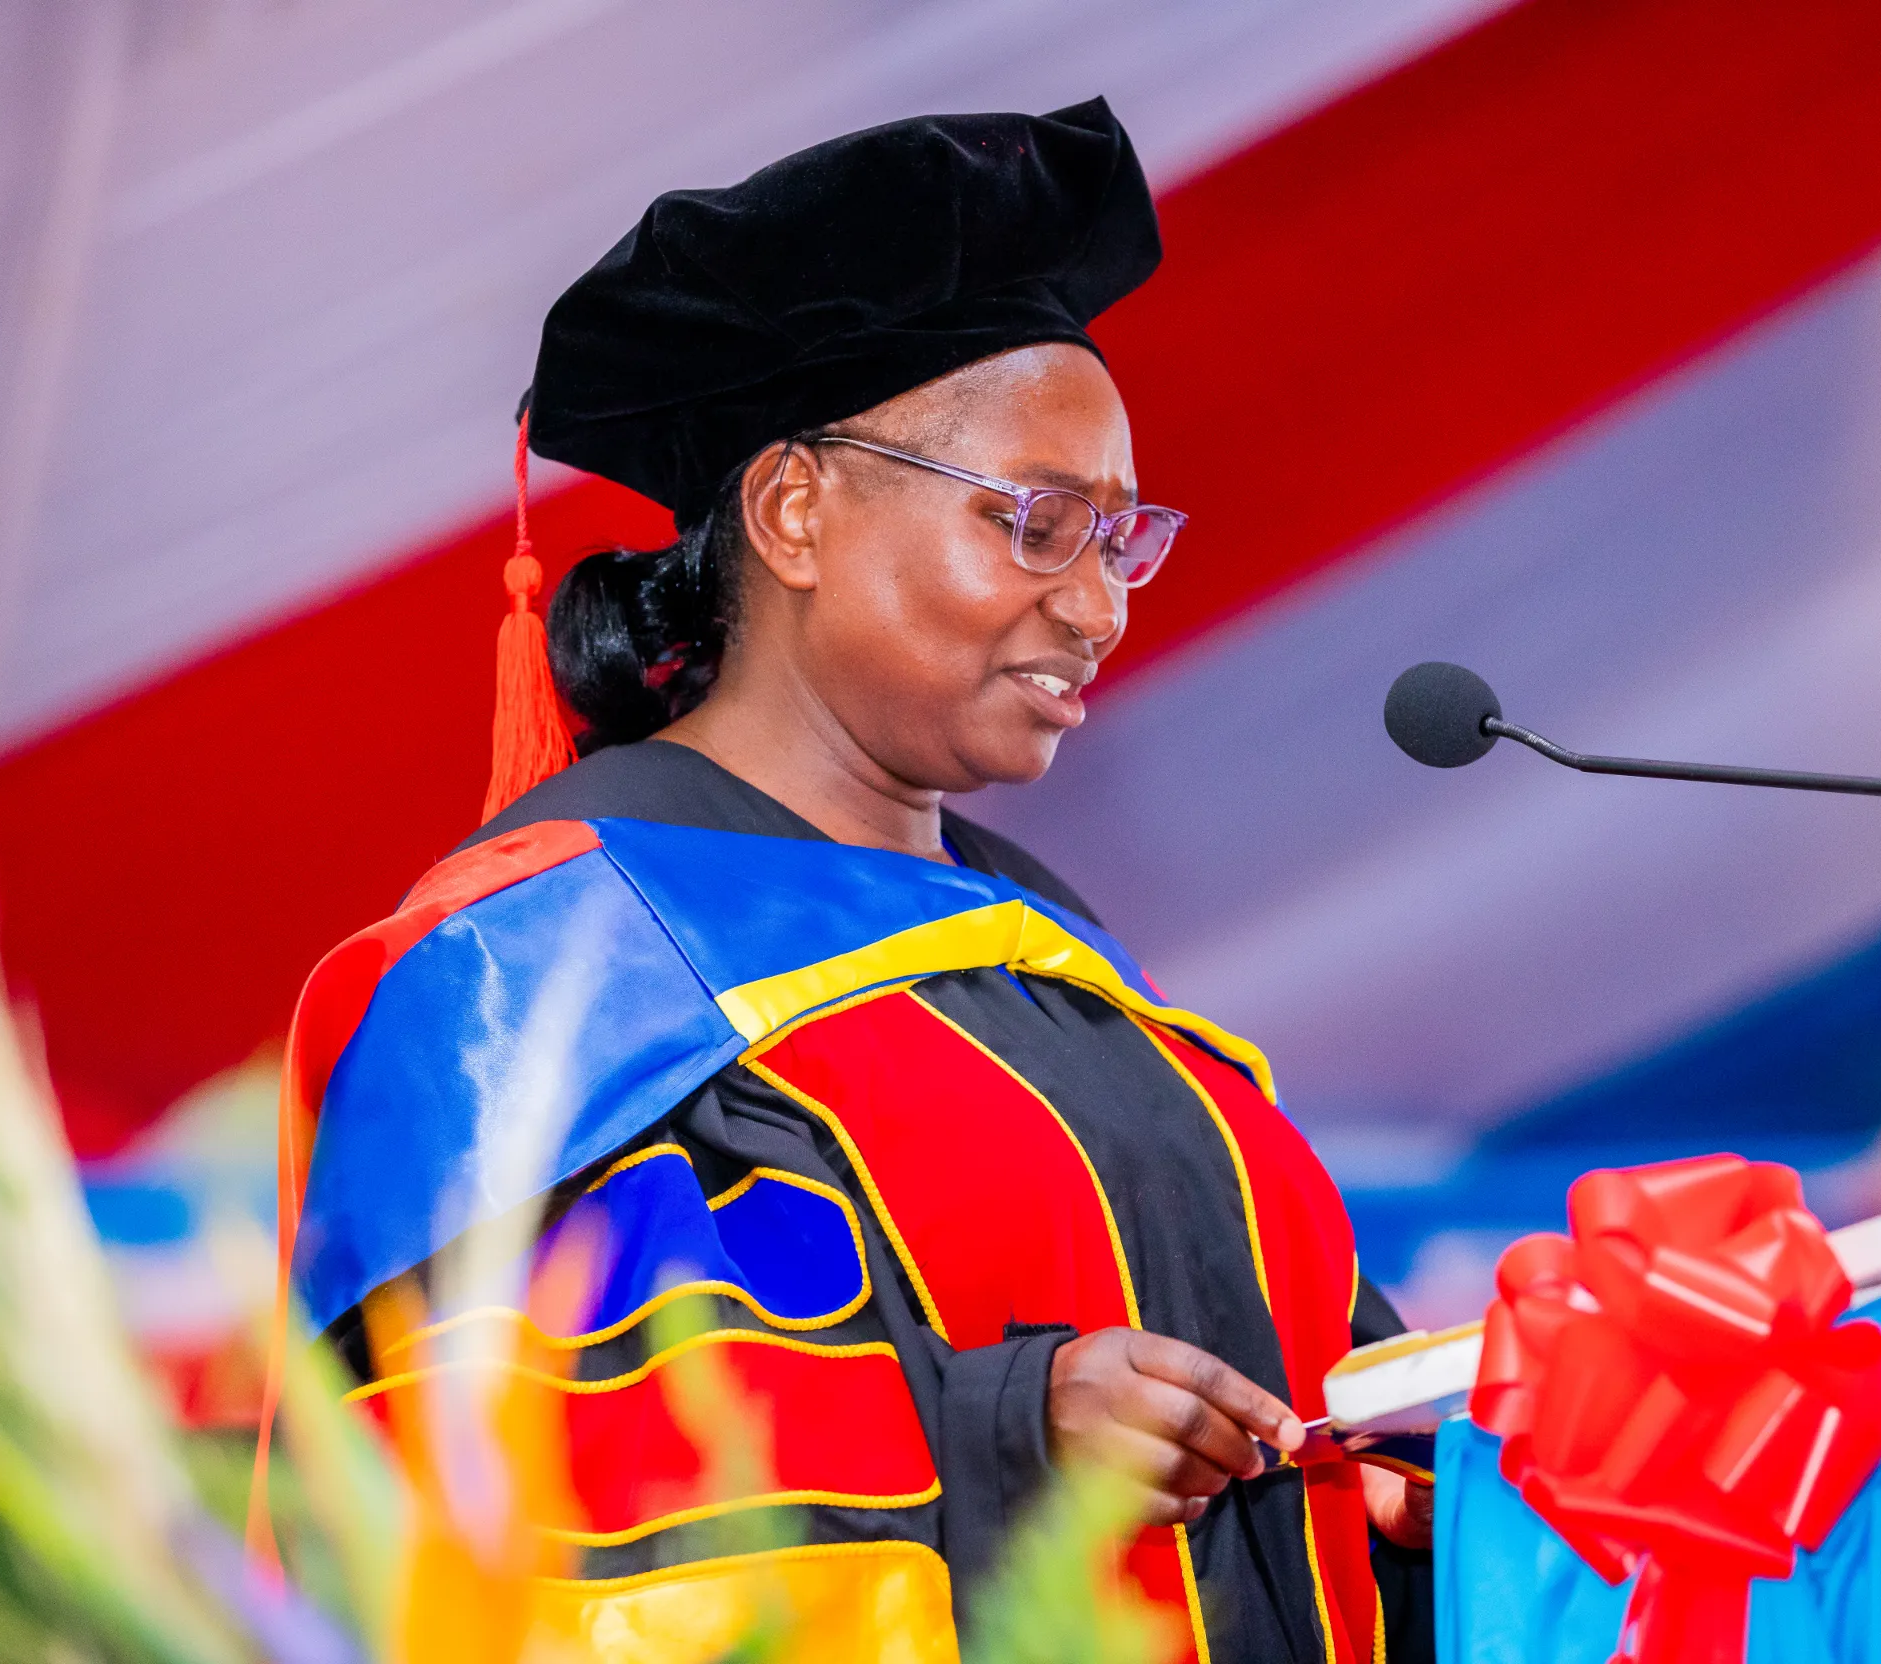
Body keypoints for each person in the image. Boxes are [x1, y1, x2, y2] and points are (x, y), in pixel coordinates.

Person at [276, 99, 1432, 1663]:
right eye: (1038, 524)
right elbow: (504, 1497)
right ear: (797, 513)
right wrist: (1000, 1426)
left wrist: (1416, 1470)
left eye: (1119, 538)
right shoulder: (540, 976)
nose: (1099, 607)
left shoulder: (1069, 973)